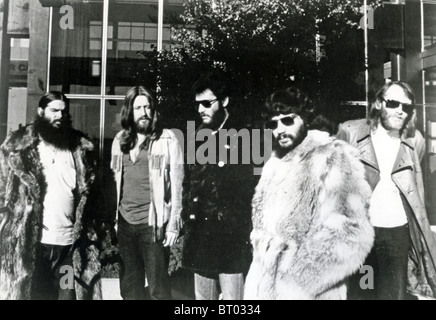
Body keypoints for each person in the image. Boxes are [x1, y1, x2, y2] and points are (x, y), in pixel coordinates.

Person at [243, 87, 374, 300]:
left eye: (288, 120)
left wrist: (297, 281)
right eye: (272, 124)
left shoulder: (332, 157)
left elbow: (351, 234)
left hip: (310, 292)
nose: (279, 129)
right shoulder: (274, 164)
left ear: (305, 118)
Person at [337, 80, 436, 300]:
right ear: (379, 103)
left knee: (393, 295)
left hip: (397, 232)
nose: (400, 111)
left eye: (406, 107)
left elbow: (411, 185)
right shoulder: (350, 132)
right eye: (393, 103)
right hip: (362, 231)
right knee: (362, 293)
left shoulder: (414, 140)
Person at [0, 91, 101, 300]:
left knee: (67, 296)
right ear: (40, 112)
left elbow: (91, 197)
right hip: (35, 247)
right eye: (54, 111)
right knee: (38, 295)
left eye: (63, 112)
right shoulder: (19, 149)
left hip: (67, 249)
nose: (60, 116)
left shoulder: (78, 149)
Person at [181, 70, 254, 300]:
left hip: (230, 242)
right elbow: (188, 183)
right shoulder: (196, 137)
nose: (200, 109)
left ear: (224, 101)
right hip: (200, 238)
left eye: (206, 103)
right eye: (198, 104)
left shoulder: (243, 135)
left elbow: (249, 192)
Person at [111, 86, 184, 300]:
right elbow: (115, 179)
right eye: (138, 107)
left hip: (153, 224)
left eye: (147, 106)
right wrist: (116, 220)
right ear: (129, 112)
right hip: (125, 224)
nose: (144, 112)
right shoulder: (119, 141)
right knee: (129, 288)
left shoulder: (167, 139)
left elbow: (178, 185)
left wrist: (173, 224)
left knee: (157, 289)